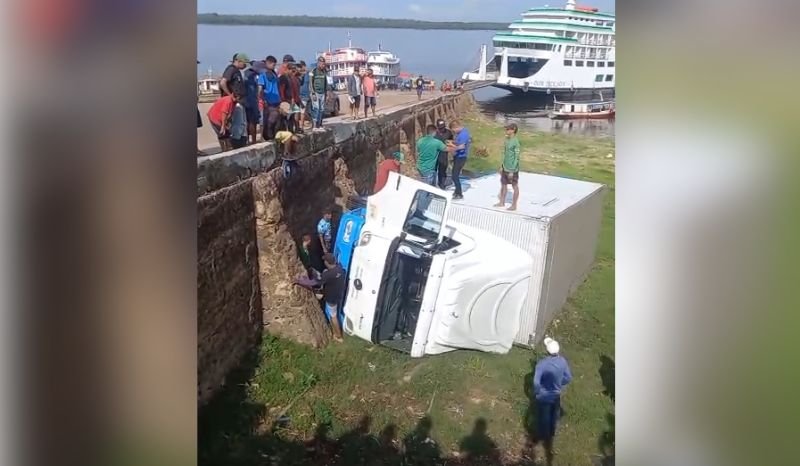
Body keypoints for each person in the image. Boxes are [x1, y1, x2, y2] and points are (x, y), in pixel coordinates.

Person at [533, 337, 572, 465]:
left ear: (547, 350)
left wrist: (537, 391)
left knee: (543, 417)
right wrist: (560, 384)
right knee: (554, 415)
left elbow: (536, 382)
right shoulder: (563, 361)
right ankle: (552, 433)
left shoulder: (542, 364)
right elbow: (568, 377)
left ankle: (544, 437)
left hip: (544, 396)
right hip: (556, 394)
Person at [318, 254, 345, 341]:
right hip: (338, 295)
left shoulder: (327, 274)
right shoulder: (340, 269)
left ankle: (338, 336)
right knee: (334, 313)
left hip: (331, 298)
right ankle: (336, 333)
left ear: (327, 262)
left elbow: (318, 283)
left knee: (333, 316)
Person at [495, 123, 521, 211]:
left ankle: (514, 205)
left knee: (514, 186)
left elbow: (517, 158)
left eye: (508, 129)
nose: (506, 131)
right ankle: (502, 202)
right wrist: (502, 166)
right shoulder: (507, 140)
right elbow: (504, 154)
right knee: (503, 185)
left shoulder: (516, 142)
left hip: (512, 169)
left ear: (513, 130)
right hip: (505, 167)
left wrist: (512, 170)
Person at [258, 55, 281, 141]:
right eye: (273, 64)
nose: (274, 66)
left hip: (276, 101)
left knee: (276, 122)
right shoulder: (262, 75)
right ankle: (267, 138)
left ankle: (273, 138)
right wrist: (262, 99)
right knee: (269, 122)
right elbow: (260, 89)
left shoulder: (274, 75)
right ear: (268, 63)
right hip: (268, 102)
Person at [449, 120, 471, 199]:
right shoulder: (462, 133)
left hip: (461, 157)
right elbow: (459, 143)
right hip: (458, 156)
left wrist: (451, 147)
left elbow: (462, 147)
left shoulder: (463, 135)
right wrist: (453, 142)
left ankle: (459, 193)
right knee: (454, 175)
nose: (453, 132)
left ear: (456, 127)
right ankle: (456, 191)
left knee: (455, 176)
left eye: (453, 130)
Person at [243, 60, 264, 145]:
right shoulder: (249, 75)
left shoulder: (252, 74)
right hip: (249, 101)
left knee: (252, 122)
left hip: (253, 101)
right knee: (251, 122)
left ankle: (251, 140)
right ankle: (252, 141)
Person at [278, 62, 301, 133]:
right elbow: (281, 90)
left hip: (291, 100)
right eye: (292, 70)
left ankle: (292, 131)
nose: (293, 72)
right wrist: (283, 101)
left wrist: (293, 99)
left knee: (292, 117)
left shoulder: (290, 78)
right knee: (285, 118)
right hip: (285, 101)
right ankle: (286, 132)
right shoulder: (283, 78)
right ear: (288, 69)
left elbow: (292, 90)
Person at [308, 57, 329, 129]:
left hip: (323, 93)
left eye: (324, 64)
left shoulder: (324, 72)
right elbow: (311, 83)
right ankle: (314, 125)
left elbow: (326, 83)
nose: (323, 65)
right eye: (322, 64)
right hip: (316, 93)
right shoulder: (313, 71)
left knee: (322, 109)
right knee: (316, 108)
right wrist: (313, 93)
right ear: (318, 63)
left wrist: (327, 93)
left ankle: (319, 124)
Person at [434, 119, 454, 190]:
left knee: (442, 170)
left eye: (443, 127)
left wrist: (450, 146)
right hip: (434, 154)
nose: (442, 129)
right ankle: (432, 185)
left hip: (444, 154)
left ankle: (442, 185)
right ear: (437, 127)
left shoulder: (448, 132)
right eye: (440, 128)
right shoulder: (434, 133)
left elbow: (451, 140)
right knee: (433, 170)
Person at [297, 61, 310, 131]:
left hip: (305, 96)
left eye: (302, 66)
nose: (301, 69)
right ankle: (299, 126)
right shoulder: (298, 75)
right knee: (297, 112)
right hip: (298, 96)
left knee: (303, 112)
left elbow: (310, 84)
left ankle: (301, 126)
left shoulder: (308, 75)